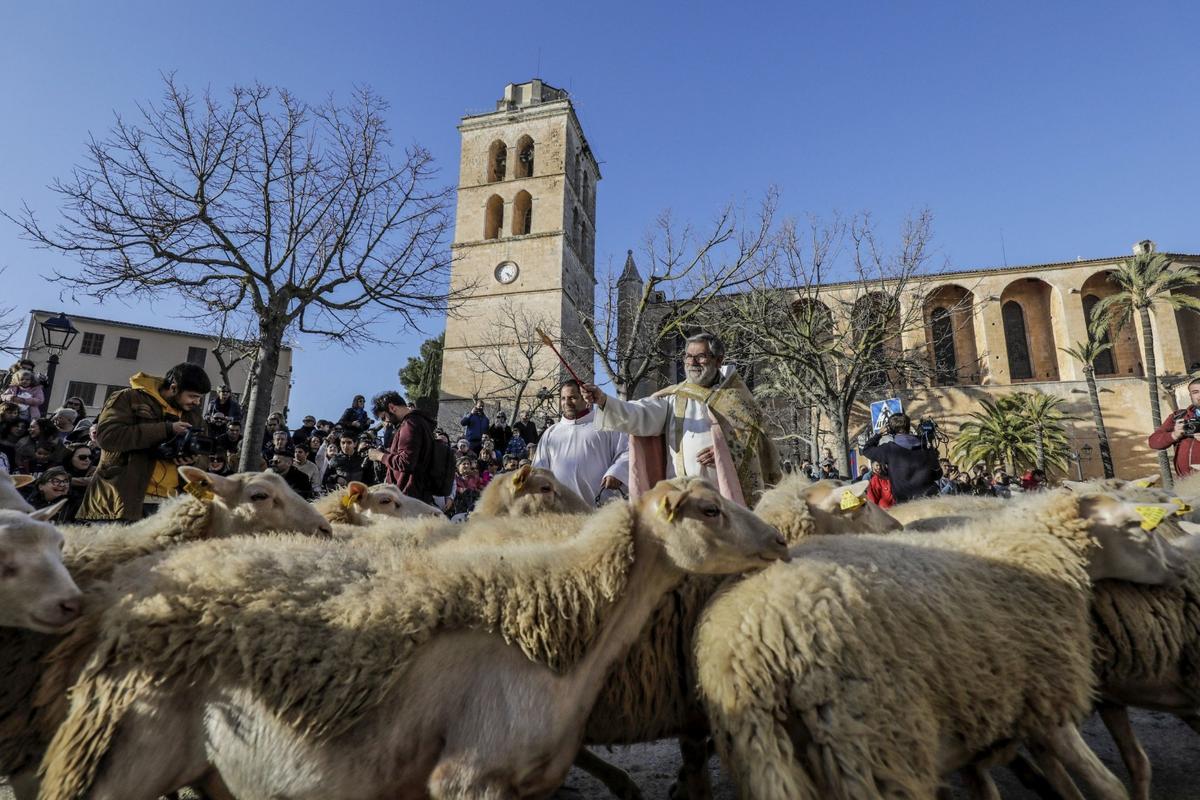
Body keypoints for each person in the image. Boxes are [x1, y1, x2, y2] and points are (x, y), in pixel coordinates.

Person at [582, 332, 780, 506]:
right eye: (688, 356)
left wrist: (727, 452)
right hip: (682, 496)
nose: (692, 362)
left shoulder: (738, 399)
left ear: (718, 360)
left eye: (701, 357)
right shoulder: (675, 397)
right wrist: (604, 400)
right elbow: (641, 413)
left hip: (726, 499)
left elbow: (760, 443)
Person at [77, 363, 211, 522]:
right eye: (193, 396)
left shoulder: (194, 416)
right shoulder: (128, 398)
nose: (197, 403)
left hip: (172, 506)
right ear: (174, 388)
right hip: (120, 503)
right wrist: (166, 429)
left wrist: (192, 461)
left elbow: (204, 458)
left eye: (200, 398)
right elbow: (107, 437)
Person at [532, 381, 630, 505]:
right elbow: (540, 470)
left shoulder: (606, 424)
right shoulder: (551, 433)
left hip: (601, 508)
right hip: (562, 511)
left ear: (586, 399)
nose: (566, 403)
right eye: (563, 398)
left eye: (573, 398)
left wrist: (617, 472)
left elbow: (627, 451)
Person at [367, 391, 438, 504]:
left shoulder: (410, 425)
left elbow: (406, 462)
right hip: (418, 494)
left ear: (391, 407)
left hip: (409, 497)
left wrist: (379, 456)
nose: (386, 422)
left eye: (384, 417)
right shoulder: (419, 422)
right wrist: (388, 453)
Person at [860, 413, 942, 504]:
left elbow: (866, 450)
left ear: (890, 429)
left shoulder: (889, 449)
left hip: (905, 506)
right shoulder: (925, 446)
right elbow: (938, 474)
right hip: (931, 501)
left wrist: (879, 434)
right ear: (908, 426)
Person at [1148, 377, 1200, 477]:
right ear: (1190, 396)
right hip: (1186, 484)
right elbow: (1153, 442)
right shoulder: (1179, 416)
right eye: (1195, 392)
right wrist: (1174, 435)